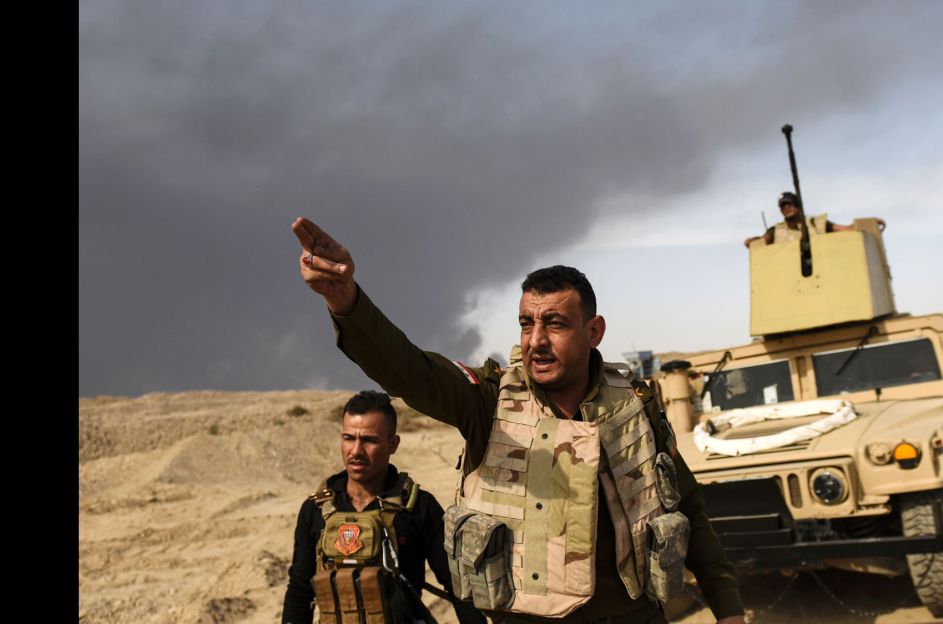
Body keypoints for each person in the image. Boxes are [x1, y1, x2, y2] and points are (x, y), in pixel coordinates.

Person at [292, 217, 747, 624]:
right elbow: (409, 370)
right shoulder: (487, 403)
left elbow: (687, 505)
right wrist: (346, 300)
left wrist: (727, 609)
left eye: (554, 323)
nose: (536, 341)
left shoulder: (635, 405)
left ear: (593, 331)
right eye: (526, 323)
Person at [281, 390, 487, 624]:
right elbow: (300, 590)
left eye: (369, 440)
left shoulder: (418, 506)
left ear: (393, 444)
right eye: (349, 438)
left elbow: (458, 587)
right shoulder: (316, 509)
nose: (356, 451)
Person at [744, 191, 886, 248]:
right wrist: (751, 241)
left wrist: (868, 223)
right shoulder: (776, 230)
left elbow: (845, 230)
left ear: (798, 206)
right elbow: (763, 241)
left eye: (789, 204)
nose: (786, 208)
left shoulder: (815, 224)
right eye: (783, 206)